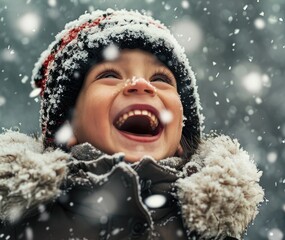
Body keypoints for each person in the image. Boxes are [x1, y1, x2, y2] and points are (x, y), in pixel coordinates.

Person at [0, 8, 264, 240]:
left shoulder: (211, 234)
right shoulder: (21, 225)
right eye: (110, 75)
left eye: (161, 78)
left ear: (183, 139)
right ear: (68, 128)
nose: (141, 84)